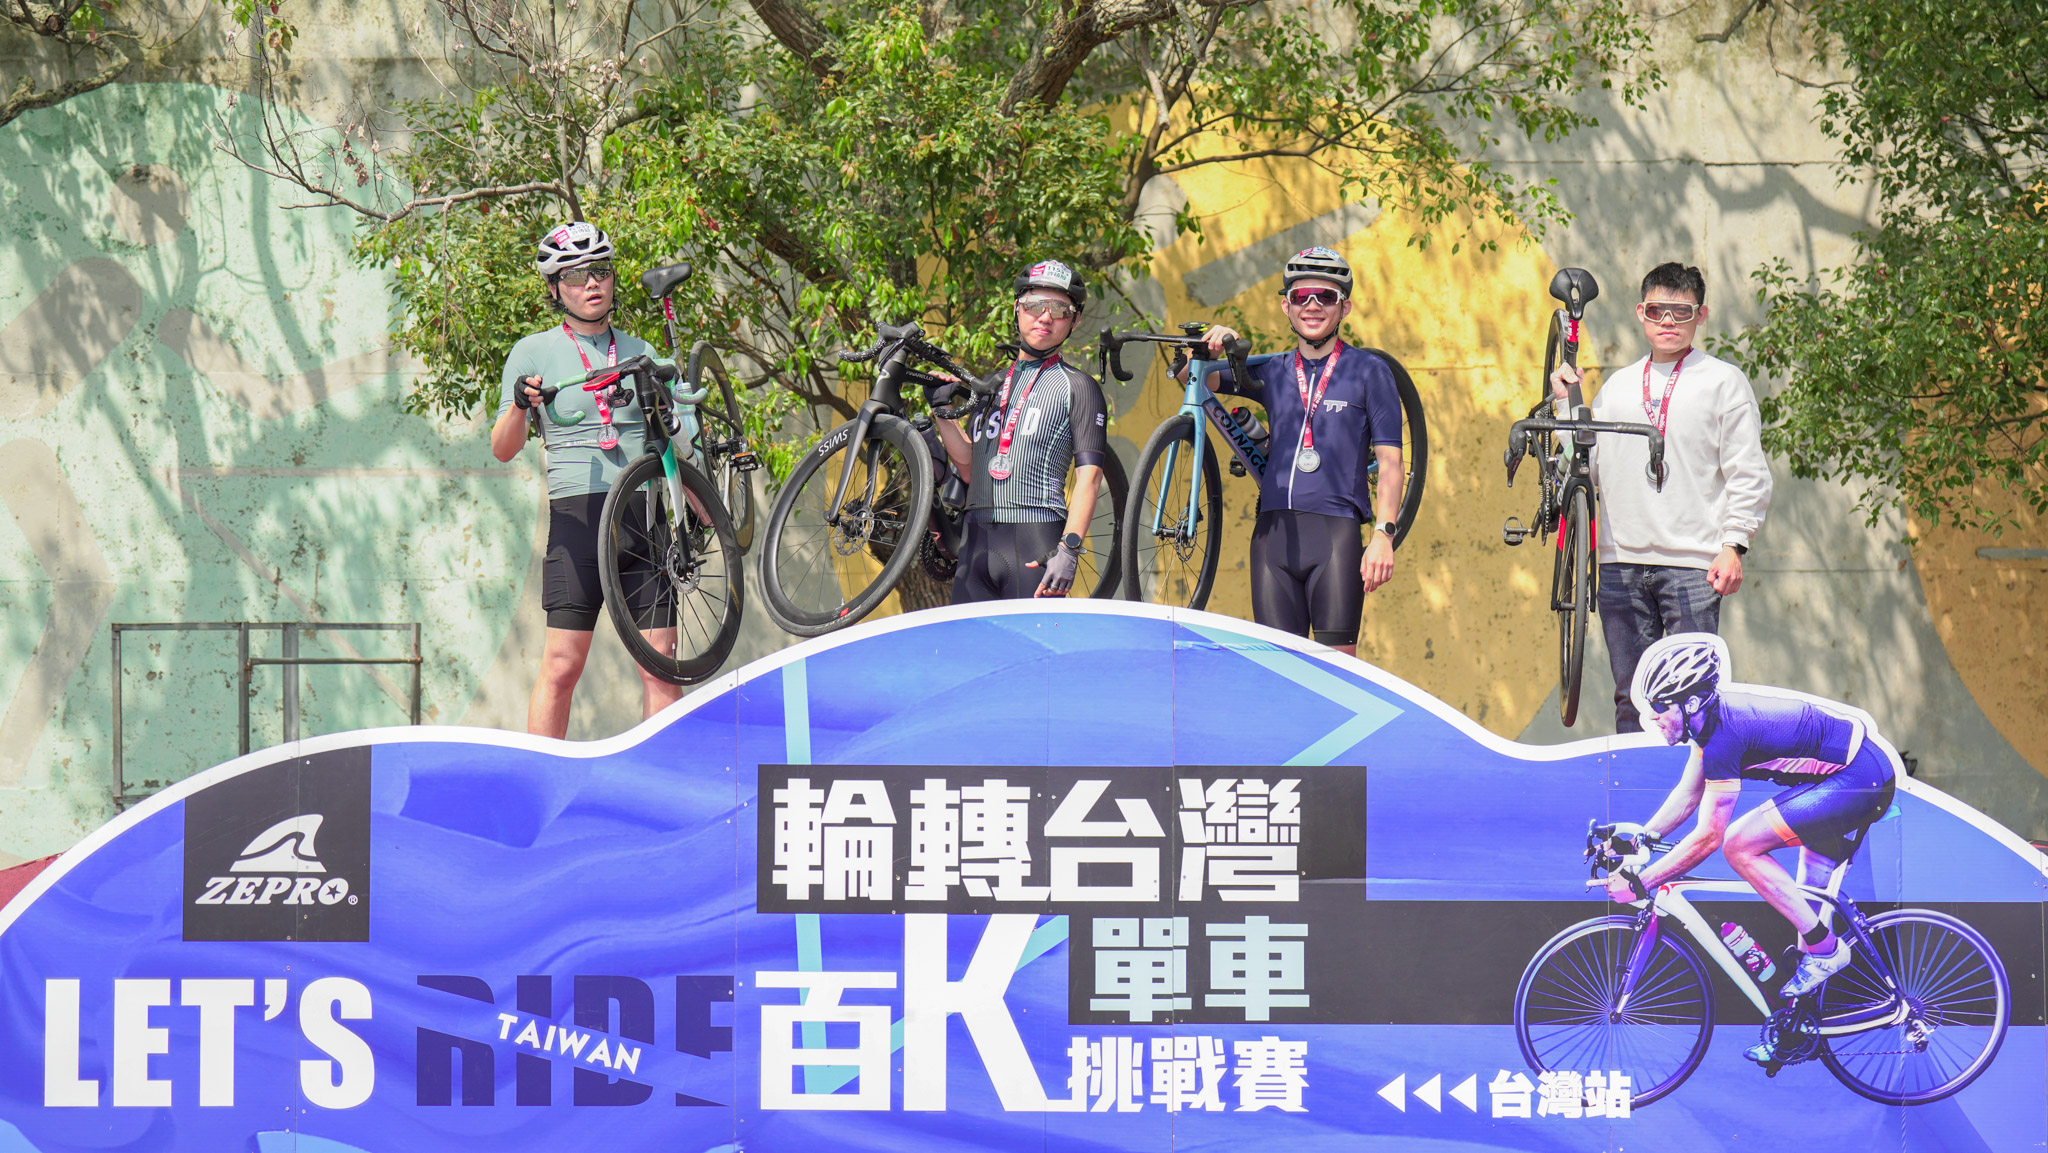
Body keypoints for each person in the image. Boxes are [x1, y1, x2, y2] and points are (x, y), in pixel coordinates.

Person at [1602, 634, 1899, 1047]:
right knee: (1804, 913)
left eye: (1660, 706)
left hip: (1858, 780)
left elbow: (1708, 838)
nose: (1651, 716)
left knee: (1739, 844)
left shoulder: (1725, 736)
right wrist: (1641, 839)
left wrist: (1642, 882)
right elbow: (1687, 795)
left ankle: (1829, 950)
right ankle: (1795, 1030)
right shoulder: (1708, 729)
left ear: (1691, 704)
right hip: (1846, 777)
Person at [1550, 262, 1772, 732]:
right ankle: (1639, 782)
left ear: (1701, 315)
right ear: (1641, 313)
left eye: (1681, 311)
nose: (1668, 321)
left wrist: (1734, 544)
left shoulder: (1724, 382)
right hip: (1620, 562)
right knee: (1631, 701)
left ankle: (1692, 782)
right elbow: (1583, 462)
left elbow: (1748, 472)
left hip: (1693, 566)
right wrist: (1566, 403)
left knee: (1691, 703)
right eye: (1657, 310)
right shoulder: (1618, 386)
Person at [490, 221, 680, 738]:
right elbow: (503, 448)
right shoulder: (532, 351)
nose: (591, 283)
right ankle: (539, 774)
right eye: (575, 275)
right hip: (577, 520)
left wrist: (707, 510)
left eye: (600, 271)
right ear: (555, 289)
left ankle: (663, 776)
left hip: (643, 517)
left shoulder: (643, 350)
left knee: (661, 664)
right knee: (561, 665)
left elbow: (681, 438)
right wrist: (518, 405)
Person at [1195, 247, 1404, 655]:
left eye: (1325, 296)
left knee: (1336, 673)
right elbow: (1193, 378)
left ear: (1344, 307)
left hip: (1335, 537)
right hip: (1271, 540)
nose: (1312, 305)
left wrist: (1384, 535)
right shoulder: (1272, 369)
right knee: (1280, 676)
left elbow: (1391, 462)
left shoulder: (1369, 371)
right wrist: (1210, 348)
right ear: (1286, 306)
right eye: (1300, 296)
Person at [933, 260, 1110, 601]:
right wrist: (942, 410)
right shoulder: (991, 385)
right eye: (1034, 306)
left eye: (1060, 310)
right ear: (1016, 309)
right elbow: (970, 467)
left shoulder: (1078, 387)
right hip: (976, 542)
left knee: (1037, 640)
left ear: (1074, 320)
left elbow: (1090, 477)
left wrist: (1070, 548)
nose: (1045, 317)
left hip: (1036, 540)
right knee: (967, 640)